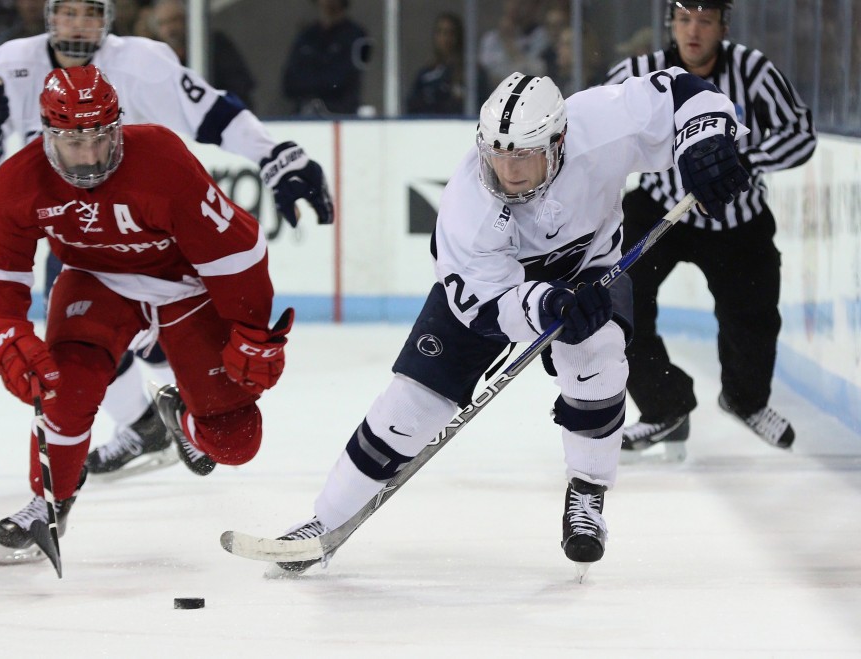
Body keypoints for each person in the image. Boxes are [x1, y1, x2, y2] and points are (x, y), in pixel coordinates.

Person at [263, 69, 750, 575]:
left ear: (558, 142)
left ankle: (587, 495)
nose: (507, 171)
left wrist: (705, 140)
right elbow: (488, 306)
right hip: (503, 292)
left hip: (591, 269)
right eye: (498, 154)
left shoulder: (602, 122)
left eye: (522, 156)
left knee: (597, 358)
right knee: (409, 409)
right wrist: (547, 306)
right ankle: (324, 522)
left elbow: (684, 93)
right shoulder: (466, 207)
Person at [0, 0, 332, 483]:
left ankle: (168, 414)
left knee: (167, 356)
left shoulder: (141, 62)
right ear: (48, 15)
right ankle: (142, 425)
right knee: (78, 355)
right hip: (73, 235)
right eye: (67, 12)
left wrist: (276, 154)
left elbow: (213, 113)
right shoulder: (5, 64)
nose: (79, 24)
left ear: (108, 17)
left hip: (151, 237)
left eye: (90, 12)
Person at [0, 64, 293, 566]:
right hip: (96, 282)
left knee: (235, 441)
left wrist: (251, 330)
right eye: (75, 142)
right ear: (48, 134)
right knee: (61, 387)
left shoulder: (161, 156)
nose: (92, 155)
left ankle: (179, 415)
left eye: (102, 137)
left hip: (183, 287)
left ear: (118, 124)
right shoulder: (18, 179)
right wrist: (8, 333)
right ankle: (48, 504)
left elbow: (235, 250)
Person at [603, 0, 816, 461]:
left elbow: (800, 134)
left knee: (753, 317)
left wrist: (742, 159)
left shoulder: (753, 70)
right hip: (661, 210)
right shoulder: (639, 73)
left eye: (705, 21)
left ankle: (744, 399)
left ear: (723, 26)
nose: (693, 31)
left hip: (736, 215)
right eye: (684, 20)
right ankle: (666, 407)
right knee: (619, 305)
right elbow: (597, 135)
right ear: (671, 24)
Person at [151, 0, 257, 112]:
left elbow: (240, 88)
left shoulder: (213, 46)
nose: (169, 29)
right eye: (162, 23)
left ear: (187, 19)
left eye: (174, 20)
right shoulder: (158, 60)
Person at [280, 0, 370, 116]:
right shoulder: (307, 36)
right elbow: (289, 82)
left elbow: (344, 79)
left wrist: (312, 83)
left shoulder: (356, 35)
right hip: (305, 113)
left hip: (342, 113)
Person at [405, 12, 490, 116]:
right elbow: (412, 107)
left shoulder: (473, 73)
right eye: (440, 32)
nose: (445, 38)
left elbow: (482, 105)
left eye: (450, 33)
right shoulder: (426, 74)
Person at [478, 0, 551, 84]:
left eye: (522, 2)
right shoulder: (490, 39)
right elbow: (488, 72)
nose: (516, 6)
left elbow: (534, 73)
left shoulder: (541, 36)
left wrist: (509, 43)